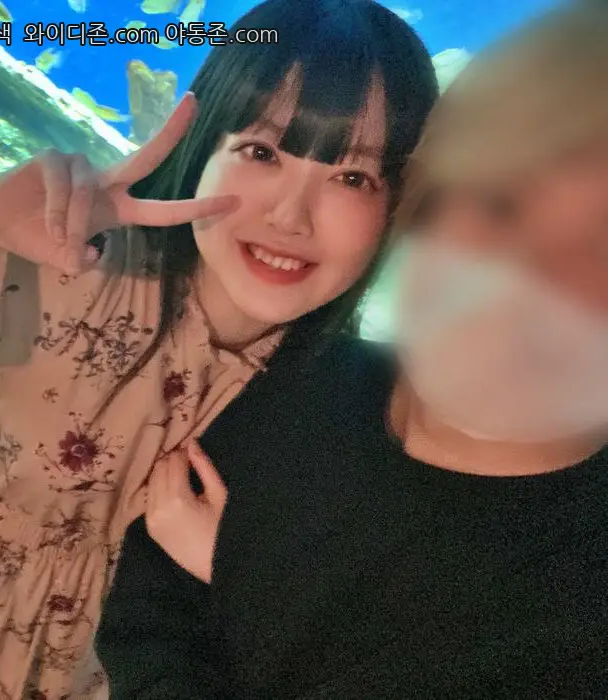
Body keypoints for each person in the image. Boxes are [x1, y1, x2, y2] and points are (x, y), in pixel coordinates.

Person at [0, 0, 436, 696]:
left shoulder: (355, 408)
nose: (290, 217)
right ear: (202, 145)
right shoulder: (82, 264)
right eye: (262, 152)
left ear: (397, 206)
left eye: (353, 177)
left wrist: (239, 575)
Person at [96, 2, 608, 698]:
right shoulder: (298, 379)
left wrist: (244, 576)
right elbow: (150, 608)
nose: (534, 283)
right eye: (501, 205)